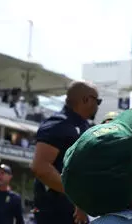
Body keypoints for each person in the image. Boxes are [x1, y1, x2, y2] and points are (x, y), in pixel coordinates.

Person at [31, 81, 101, 224]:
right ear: (86, 99)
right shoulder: (58, 124)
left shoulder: (84, 126)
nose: (98, 106)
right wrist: (76, 196)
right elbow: (40, 167)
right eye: (97, 101)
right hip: (55, 214)